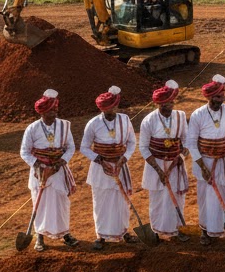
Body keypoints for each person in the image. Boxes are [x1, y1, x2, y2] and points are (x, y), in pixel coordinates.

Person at [19, 88, 78, 251]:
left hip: (58, 171)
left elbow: (70, 147)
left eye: (55, 109)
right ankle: (40, 237)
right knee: (40, 203)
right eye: (51, 110)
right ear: (43, 112)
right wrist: (39, 166)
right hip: (39, 173)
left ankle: (65, 234)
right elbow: (24, 151)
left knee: (61, 203)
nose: (54, 113)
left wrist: (60, 163)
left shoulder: (65, 126)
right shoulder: (32, 128)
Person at [80, 86, 138, 250]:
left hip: (120, 166)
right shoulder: (93, 124)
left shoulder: (125, 120)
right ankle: (101, 235)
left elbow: (132, 142)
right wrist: (100, 160)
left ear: (116, 106)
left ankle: (124, 232)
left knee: (122, 201)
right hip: (101, 169)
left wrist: (124, 159)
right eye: (107, 109)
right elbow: (84, 147)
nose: (110, 111)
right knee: (101, 202)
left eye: (112, 107)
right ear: (102, 109)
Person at [186, 74, 225, 246]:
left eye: (222, 96)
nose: (220, 100)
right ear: (208, 97)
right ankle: (206, 230)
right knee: (206, 197)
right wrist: (202, 166)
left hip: (223, 161)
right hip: (205, 161)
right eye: (217, 97)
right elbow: (191, 143)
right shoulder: (198, 115)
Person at [139, 80, 190, 241]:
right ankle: (156, 229)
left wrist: (180, 158)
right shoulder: (148, 121)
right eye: (166, 105)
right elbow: (143, 147)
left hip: (176, 163)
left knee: (176, 196)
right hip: (156, 165)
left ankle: (176, 230)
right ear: (158, 105)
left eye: (171, 103)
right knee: (158, 198)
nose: (170, 107)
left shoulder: (180, 117)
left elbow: (186, 141)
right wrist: (159, 170)